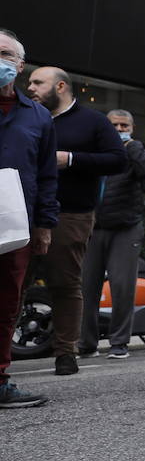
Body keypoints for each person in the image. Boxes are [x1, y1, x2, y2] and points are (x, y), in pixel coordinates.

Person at [26, 66, 126, 376]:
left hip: (70, 214)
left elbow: (118, 160)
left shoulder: (93, 121)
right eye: (29, 82)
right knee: (13, 283)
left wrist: (70, 158)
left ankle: (66, 352)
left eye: (37, 82)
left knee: (65, 283)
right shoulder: (26, 116)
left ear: (60, 87)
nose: (29, 87)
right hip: (22, 214)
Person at [0, 32, 56, 409]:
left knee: (6, 304)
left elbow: (47, 174)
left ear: (20, 66)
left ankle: (0, 380)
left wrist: (44, 225)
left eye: (4, 54)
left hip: (14, 224)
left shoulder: (37, 116)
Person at [78, 110, 145, 360]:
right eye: (115, 125)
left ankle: (119, 343)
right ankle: (86, 344)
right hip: (92, 228)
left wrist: (131, 146)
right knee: (85, 289)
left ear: (132, 128)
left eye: (125, 125)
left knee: (122, 287)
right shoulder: (95, 149)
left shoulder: (136, 151)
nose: (120, 129)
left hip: (126, 228)